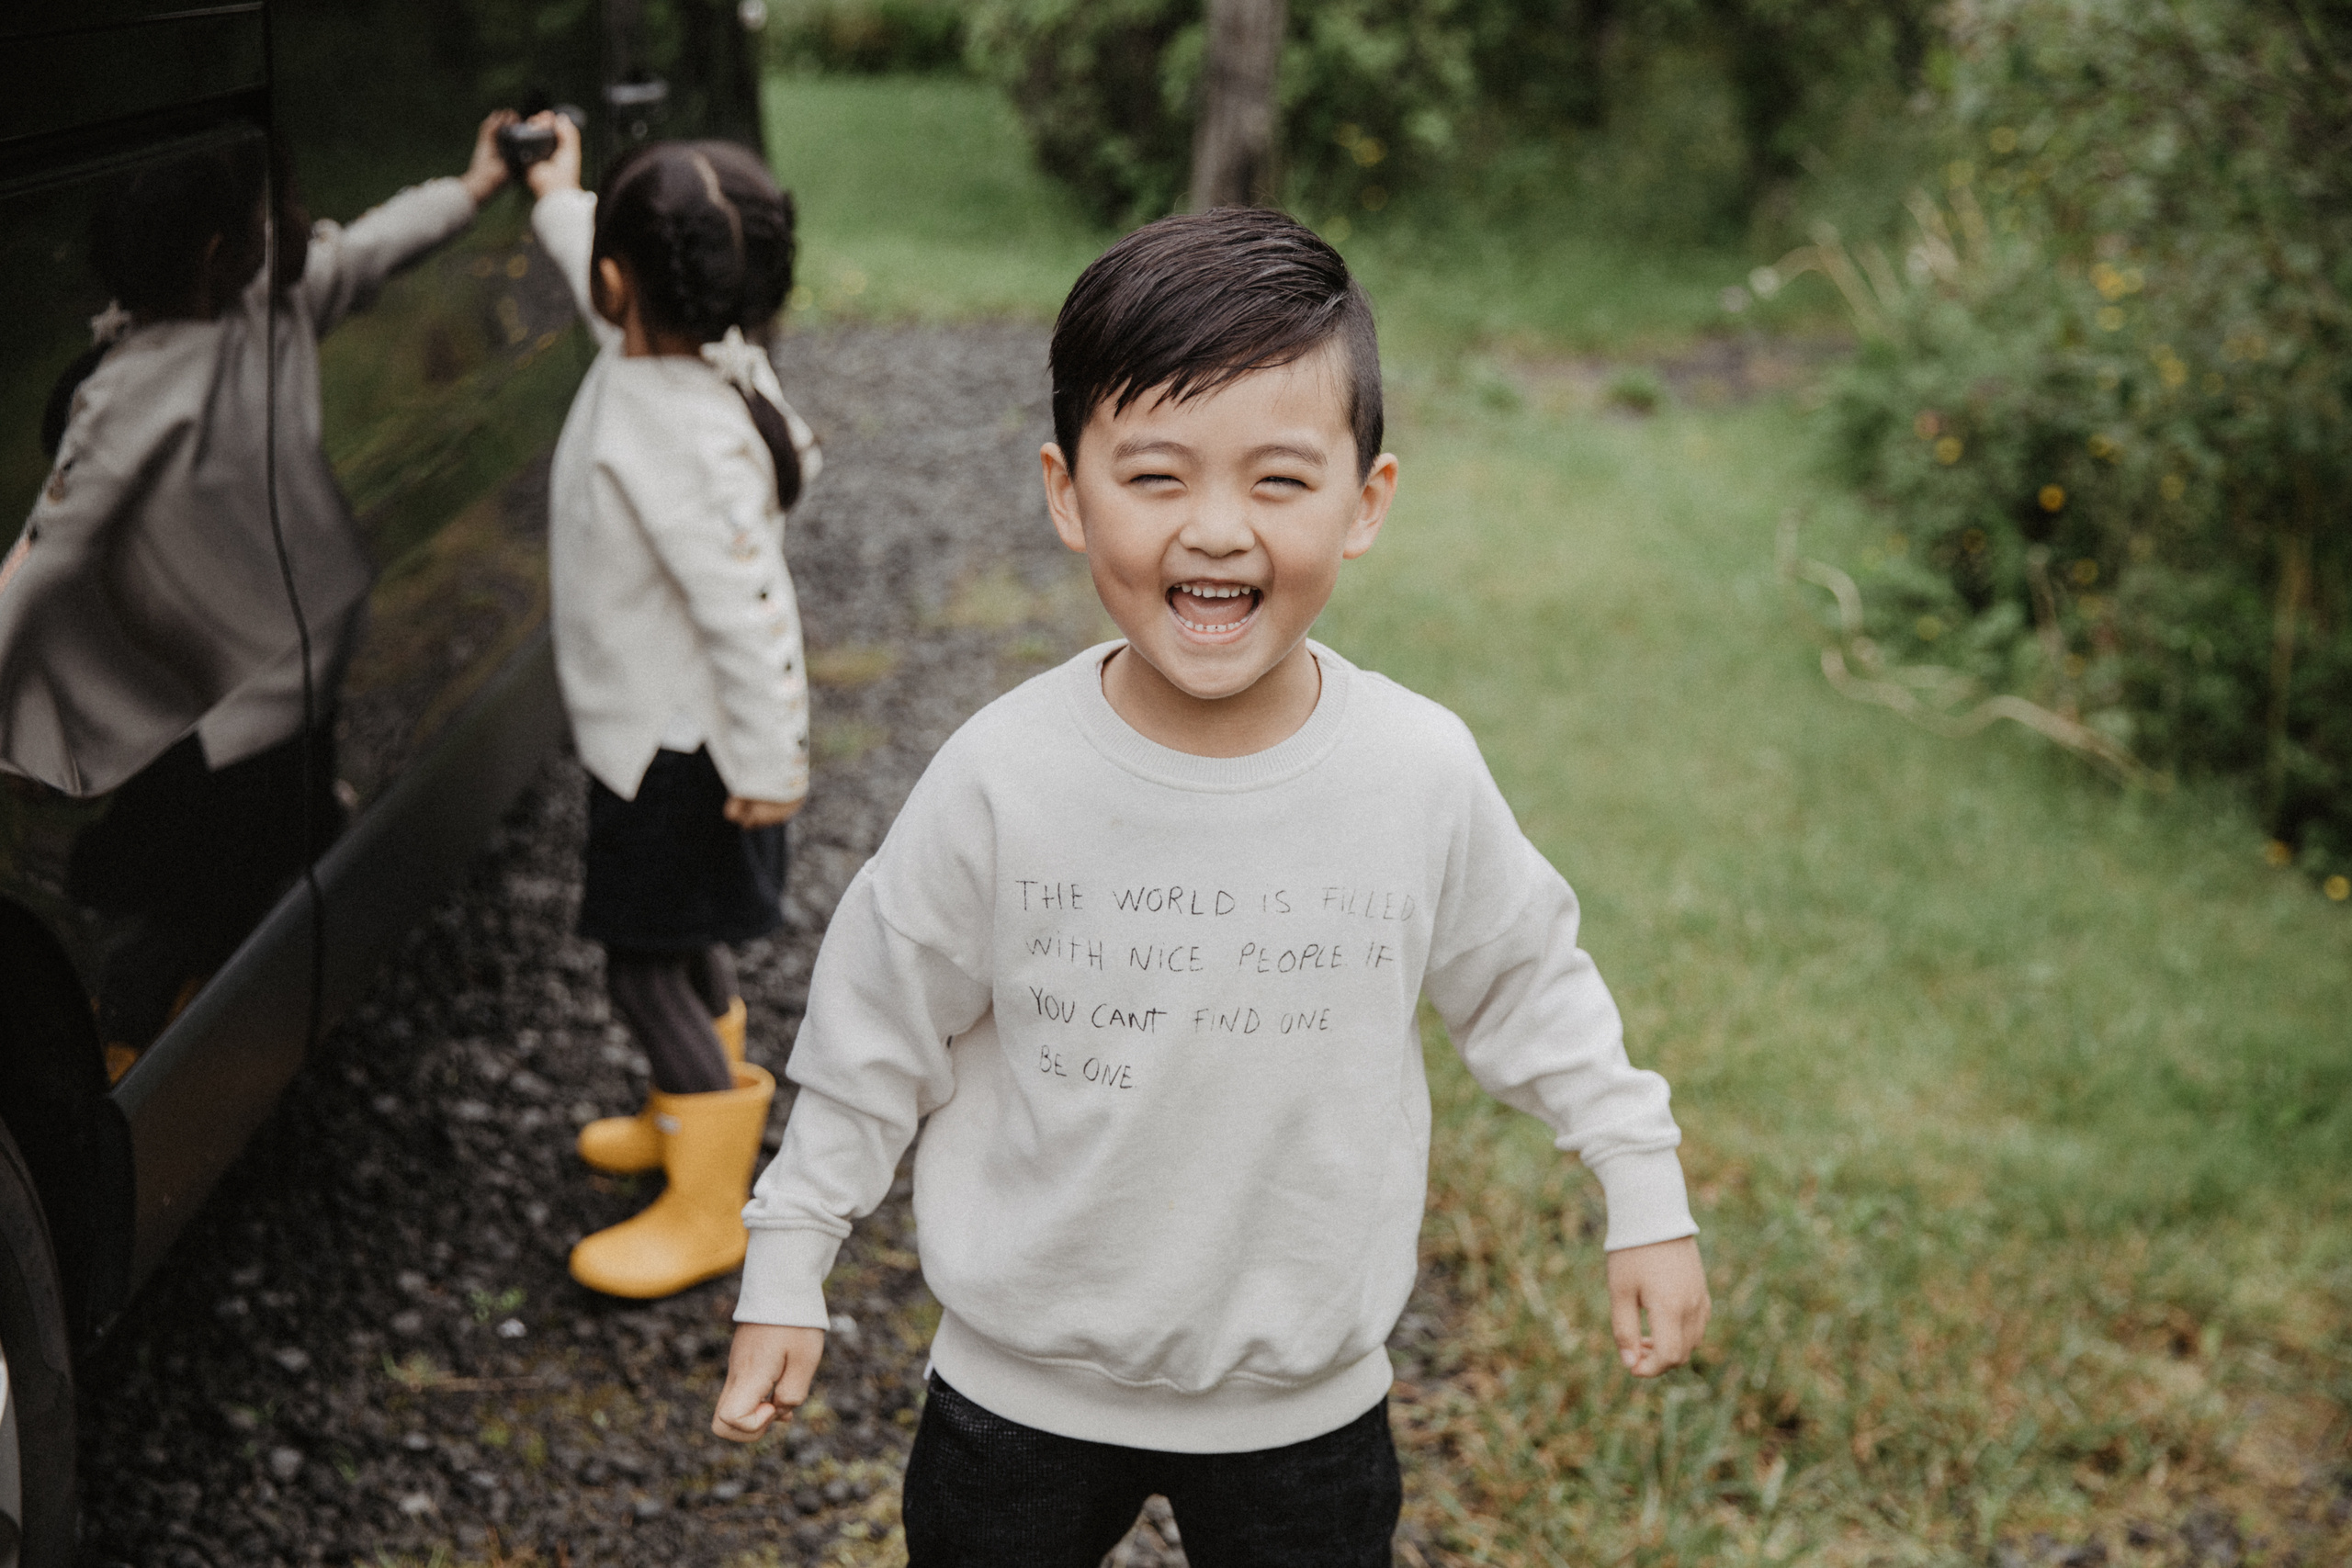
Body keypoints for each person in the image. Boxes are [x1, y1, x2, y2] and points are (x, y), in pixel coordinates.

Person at [711, 209, 1711, 1562]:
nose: (1219, 530)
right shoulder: (1005, 775)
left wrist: (1640, 1182)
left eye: (1280, 480)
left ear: (1366, 501)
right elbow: (875, 1022)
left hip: (1303, 1410)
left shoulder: (1414, 771)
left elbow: (1528, 982)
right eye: (1157, 475)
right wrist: (790, 1252)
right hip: (1017, 1397)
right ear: (1069, 493)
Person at [0, 118, 517, 1057]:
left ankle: (249, 931)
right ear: (219, 252)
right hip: (229, 705)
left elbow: (370, 249)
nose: (305, 219)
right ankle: (139, 1032)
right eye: (281, 206)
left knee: (259, 833)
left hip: (285, 673)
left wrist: (472, 188)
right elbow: (49, 553)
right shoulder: (133, 389)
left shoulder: (266, 307)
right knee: (196, 888)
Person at [522, 115, 820, 1301]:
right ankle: (682, 1114)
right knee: (683, 939)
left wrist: (774, 762)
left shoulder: (676, 433)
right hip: (665, 740)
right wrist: (556, 192)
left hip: (680, 755)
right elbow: (593, 264)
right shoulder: (674, 350)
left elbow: (751, 616)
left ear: (623, 280)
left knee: (643, 968)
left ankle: (710, 1205)